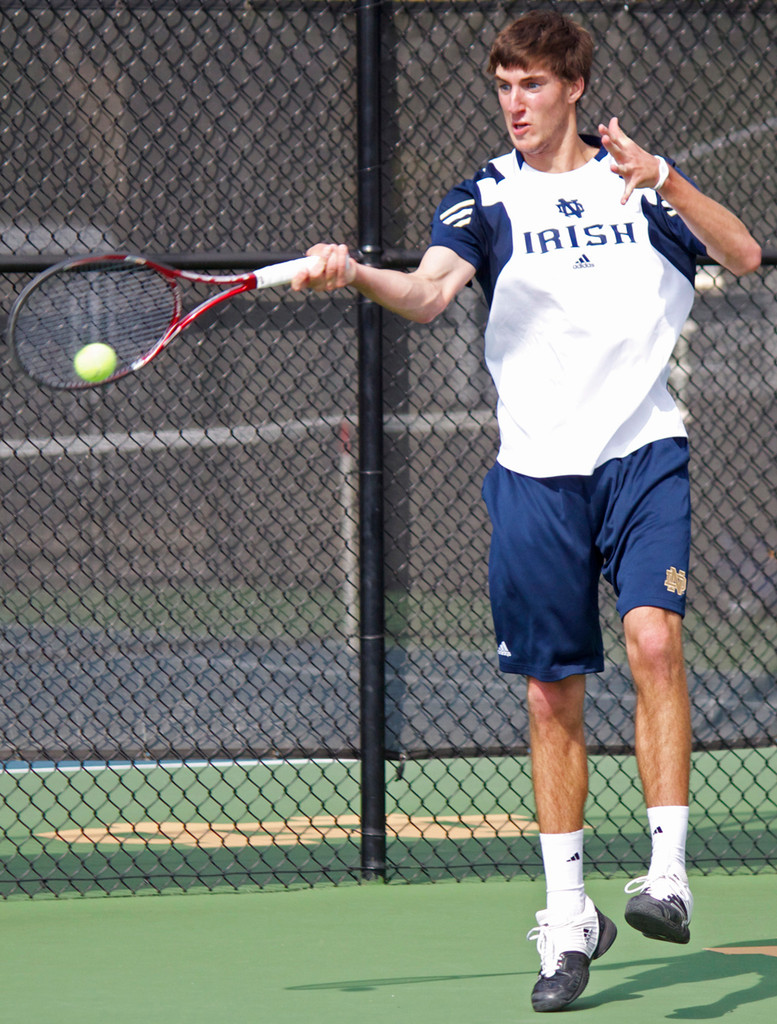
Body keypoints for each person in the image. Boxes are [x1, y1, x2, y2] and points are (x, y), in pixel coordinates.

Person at [291, 8, 762, 1013]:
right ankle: (566, 915)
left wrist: (668, 177)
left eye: (532, 85)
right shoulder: (484, 199)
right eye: (503, 85)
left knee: (653, 638)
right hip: (537, 475)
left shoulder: (640, 186)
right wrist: (357, 272)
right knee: (552, 698)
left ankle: (668, 874)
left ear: (574, 88)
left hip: (643, 456)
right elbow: (428, 294)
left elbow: (745, 254)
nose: (514, 103)